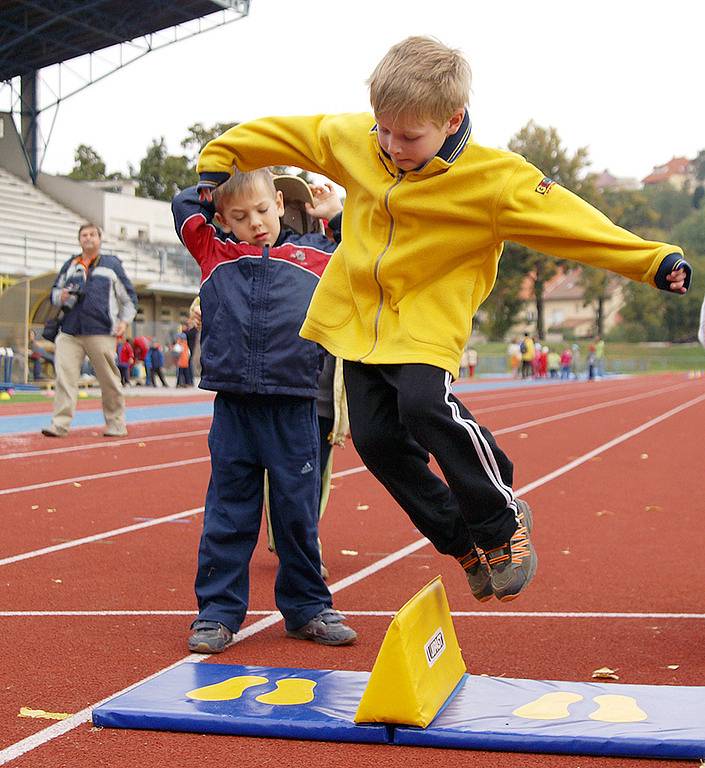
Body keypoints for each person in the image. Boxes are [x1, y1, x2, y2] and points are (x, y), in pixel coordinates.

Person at [195, 36, 691, 604]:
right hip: (356, 317)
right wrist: (220, 159)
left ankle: (502, 518)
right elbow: (287, 134)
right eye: (383, 129)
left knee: (425, 406)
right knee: (377, 441)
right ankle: (460, 540)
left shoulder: (496, 181)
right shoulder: (359, 140)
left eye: (408, 136)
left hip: (427, 319)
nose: (391, 145)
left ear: (452, 119)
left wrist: (653, 261)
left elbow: (573, 222)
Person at [172, 167, 356, 652]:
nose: (254, 222)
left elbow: (358, 247)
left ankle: (307, 608)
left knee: (297, 513)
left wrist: (334, 215)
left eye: (261, 210)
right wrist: (215, 182)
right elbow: (183, 207)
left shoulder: (314, 254)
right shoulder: (216, 253)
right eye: (238, 216)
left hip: (294, 404)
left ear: (279, 202)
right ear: (222, 219)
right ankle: (217, 613)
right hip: (234, 405)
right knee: (229, 513)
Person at [41, 223, 136, 438]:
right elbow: (54, 294)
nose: (88, 238)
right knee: (64, 378)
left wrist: (124, 321)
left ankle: (116, 423)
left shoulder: (111, 264)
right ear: (79, 239)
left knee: (109, 379)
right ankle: (60, 424)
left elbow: (129, 298)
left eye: (92, 234)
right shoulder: (71, 264)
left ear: (100, 239)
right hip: (69, 329)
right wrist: (61, 296)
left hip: (100, 329)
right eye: (84, 235)